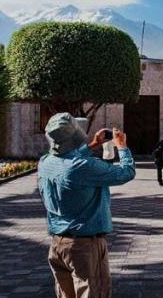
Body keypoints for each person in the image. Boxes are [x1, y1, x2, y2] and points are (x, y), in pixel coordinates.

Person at [38, 113, 135, 298]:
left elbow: (68, 161)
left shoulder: (45, 163)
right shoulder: (83, 167)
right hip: (84, 246)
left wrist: (93, 145)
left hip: (59, 245)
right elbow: (126, 172)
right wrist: (122, 146)